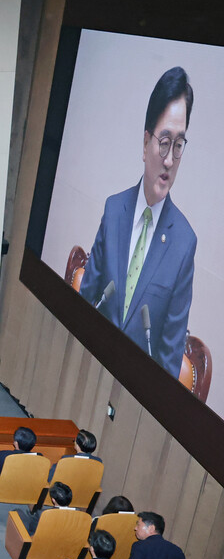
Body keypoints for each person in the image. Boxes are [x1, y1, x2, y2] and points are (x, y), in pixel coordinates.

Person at [78, 67, 197, 377]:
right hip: (88, 370)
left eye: (179, 144)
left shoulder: (184, 245)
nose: (170, 160)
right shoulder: (114, 210)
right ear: (146, 143)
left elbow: (169, 361)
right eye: (164, 141)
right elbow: (85, 303)